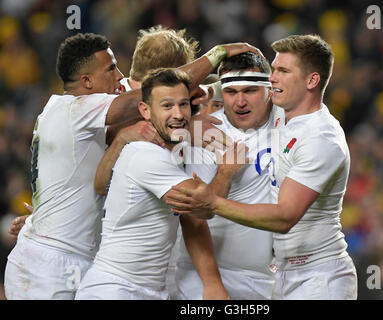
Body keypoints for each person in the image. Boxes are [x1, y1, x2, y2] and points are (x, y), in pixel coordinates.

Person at [4, 31, 261, 300]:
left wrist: (41, 219)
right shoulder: (76, 109)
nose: (119, 75)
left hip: (71, 257)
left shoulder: (80, 116)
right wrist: (217, 54)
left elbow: (98, 183)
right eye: (111, 69)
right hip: (57, 263)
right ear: (87, 80)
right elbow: (198, 210)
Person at [168, 34, 358, 300]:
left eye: (283, 71)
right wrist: (201, 100)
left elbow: (284, 217)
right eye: (275, 69)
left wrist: (212, 200)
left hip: (315, 275)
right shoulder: (278, 117)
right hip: (273, 277)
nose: (274, 77)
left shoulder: (318, 136)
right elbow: (163, 93)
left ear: (311, 80)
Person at [75, 68, 228, 300]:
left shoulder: (175, 153)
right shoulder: (146, 154)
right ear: (145, 110)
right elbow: (202, 208)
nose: (178, 114)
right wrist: (227, 171)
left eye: (184, 105)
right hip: (115, 289)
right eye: (167, 106)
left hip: (149, 290)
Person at [174, 52, 281, 300]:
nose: (240, 102)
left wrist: (210, 92)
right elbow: (194, 217)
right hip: (206, 279)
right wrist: (225, 173)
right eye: (231, 92)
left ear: (269, 90)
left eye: (250, 91)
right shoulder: (206, 131)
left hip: (265, 280)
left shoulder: (286, 122)